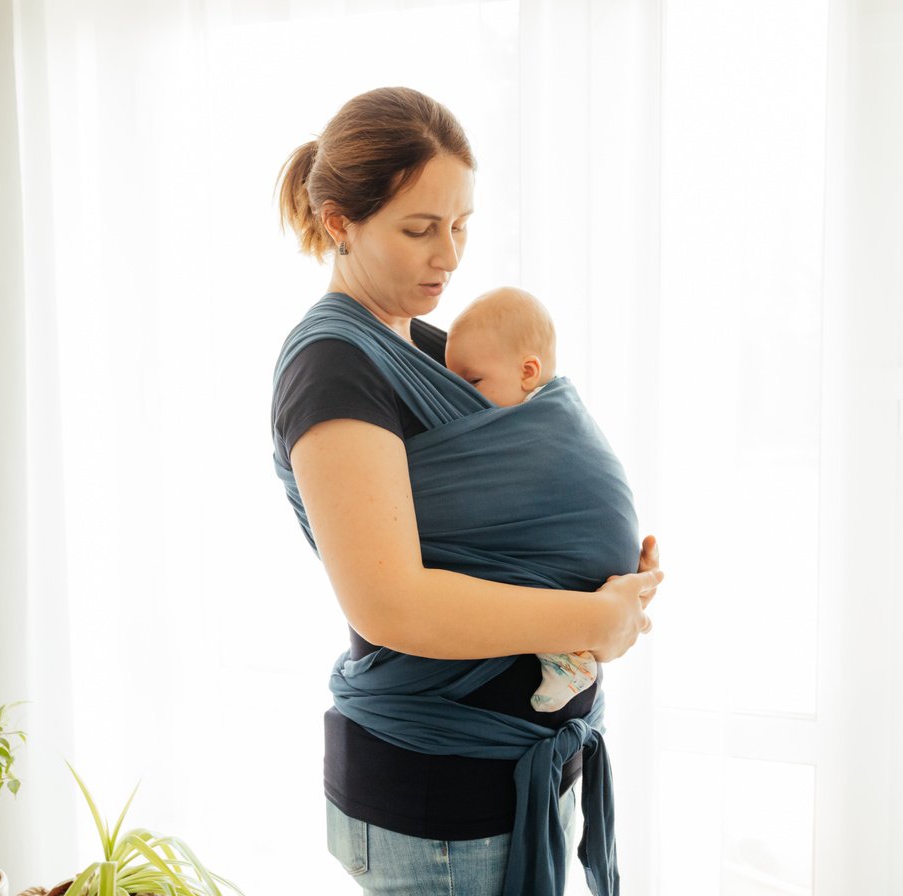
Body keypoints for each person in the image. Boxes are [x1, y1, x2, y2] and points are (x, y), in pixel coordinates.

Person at [271, 86, 661, 896]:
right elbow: (393, 604)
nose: (448, 256)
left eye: (461, 225)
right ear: (340, 222)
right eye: (420, 229)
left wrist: (602, 559)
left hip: (511, 779)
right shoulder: (333, 367)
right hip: (440, 795)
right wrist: (599, 616)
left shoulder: (437, 345)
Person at [445, 286, 605, 713]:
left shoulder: (542, 422)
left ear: (528, 372)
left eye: (473, 382)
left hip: (577, 558)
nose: (462, 398)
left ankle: (568, 659)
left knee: (527, 575)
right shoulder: (522, 412)